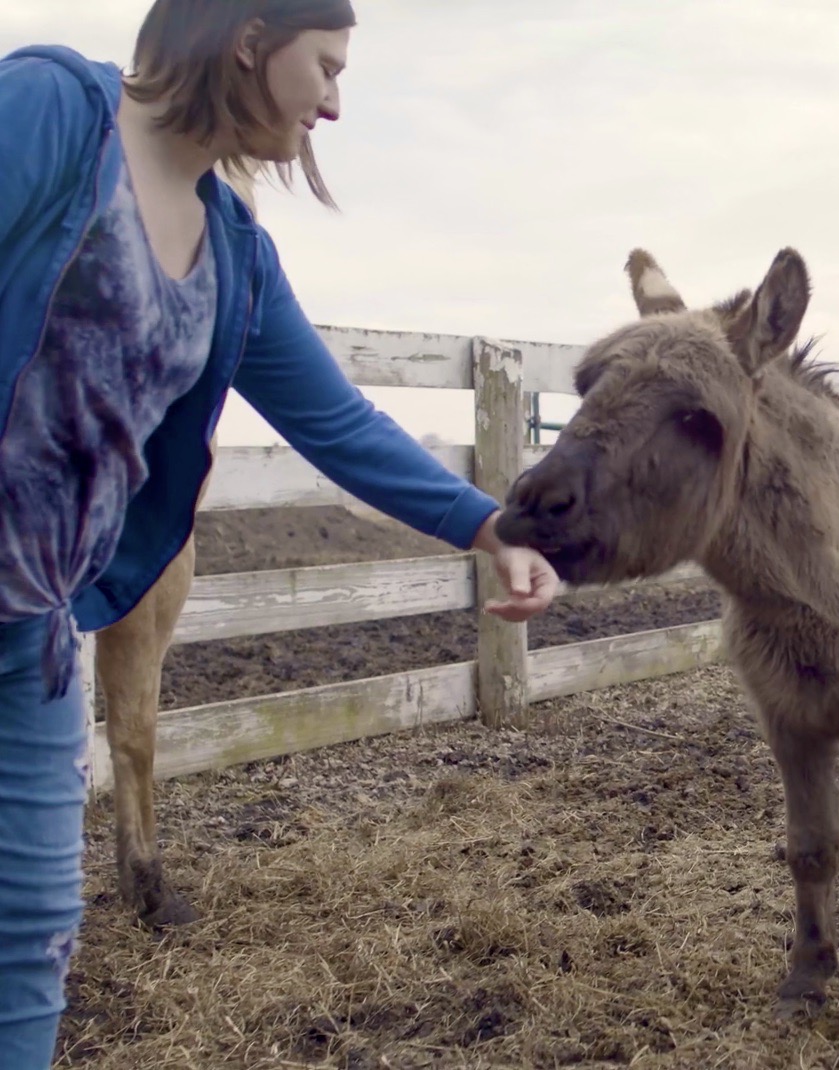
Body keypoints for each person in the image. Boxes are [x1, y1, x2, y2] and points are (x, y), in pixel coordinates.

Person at [0, 1, 562, 1062]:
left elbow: (337, 422)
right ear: (250, 39)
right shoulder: (53, 116)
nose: (336, 104)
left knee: (30, 937)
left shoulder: (232, 251)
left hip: (29, 640)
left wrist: (492, 525)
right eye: (328, 67)